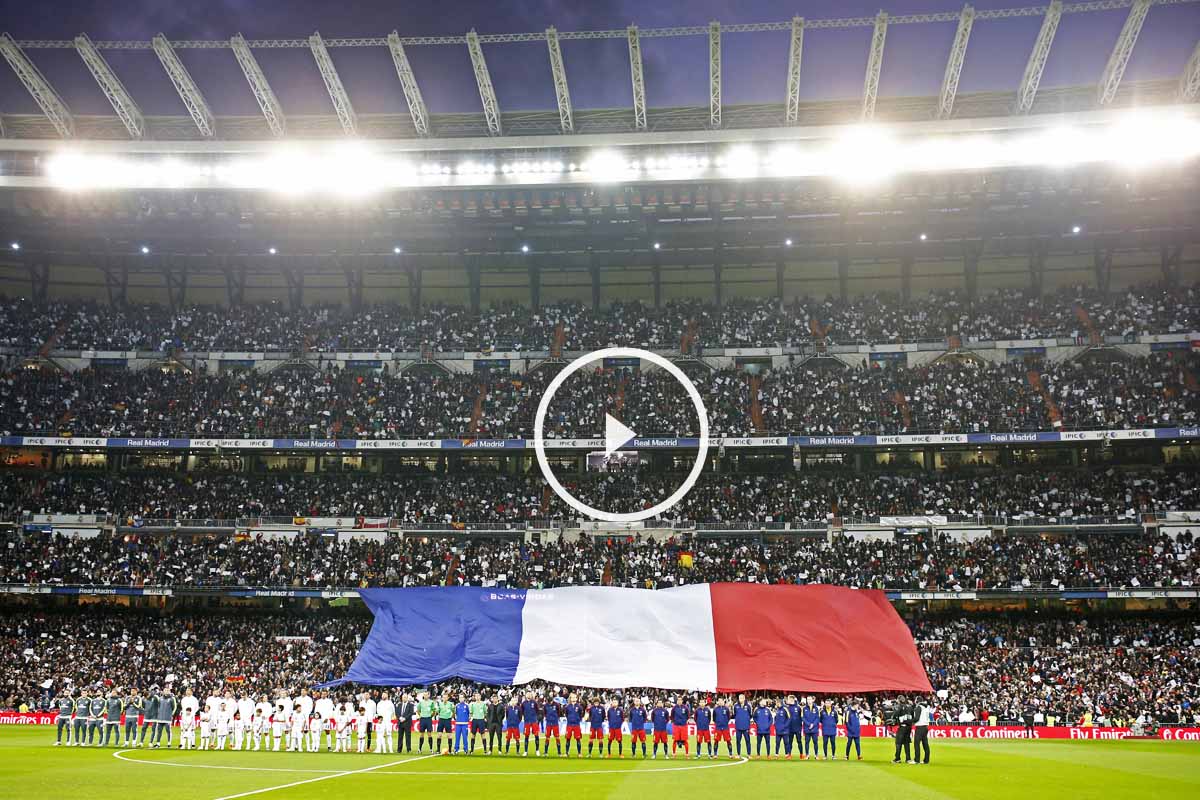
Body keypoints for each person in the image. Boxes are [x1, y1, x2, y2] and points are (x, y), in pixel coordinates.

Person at [893, 697, 913, 765]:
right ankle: (908, 759)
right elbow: (912, 716)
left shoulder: (899, 707)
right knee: (906, 743)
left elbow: (895, 715)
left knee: (898, 743)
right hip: (909, 727)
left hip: (902, 727)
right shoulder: (910, 707)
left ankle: (897, 758)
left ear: (899, 700)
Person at [563, 693, 583, 757]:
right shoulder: (567, 707)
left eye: (575, 697)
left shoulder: (579, 707)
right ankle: (566, 753)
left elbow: (581, 715)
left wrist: (577, 720)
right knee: (568, 739)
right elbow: (566, 714)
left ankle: (579, 753)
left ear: (576, 698)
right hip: (569, 725)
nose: (573, 698)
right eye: (572, 697)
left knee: (578, 739)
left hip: (576, 725)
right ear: (570, 699)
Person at [732, 694, 752, 758]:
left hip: (746, 727)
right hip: (738, 727)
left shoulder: (748, 705)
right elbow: (734, 714)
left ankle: (749, 754)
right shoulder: (735, 705)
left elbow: (750, 715)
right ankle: (738, 754)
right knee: (738, 741)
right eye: (739, 698)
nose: (740, 699)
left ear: (744, 698)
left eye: (741, 698)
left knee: (748, 741)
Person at [913, 697, 931, 765]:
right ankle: (926, 760)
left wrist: (910, 721)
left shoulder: (919, 707)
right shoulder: (926, 708)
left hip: (920, 726)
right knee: (925, 744)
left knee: (916, 743)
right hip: (925, 727)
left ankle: (916, 760)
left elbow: (917, 718)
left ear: (917, 701)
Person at [786, 694, 804, 760]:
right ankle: (789, 754)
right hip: (790, 728)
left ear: (792, 699)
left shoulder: (798, 707)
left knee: (799, 741)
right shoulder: (787, 708)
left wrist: (800, 726)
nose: (788, 700)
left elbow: (801, 717)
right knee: (790, 742)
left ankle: (801, 754)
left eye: (788, 699)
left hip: (797, 728)